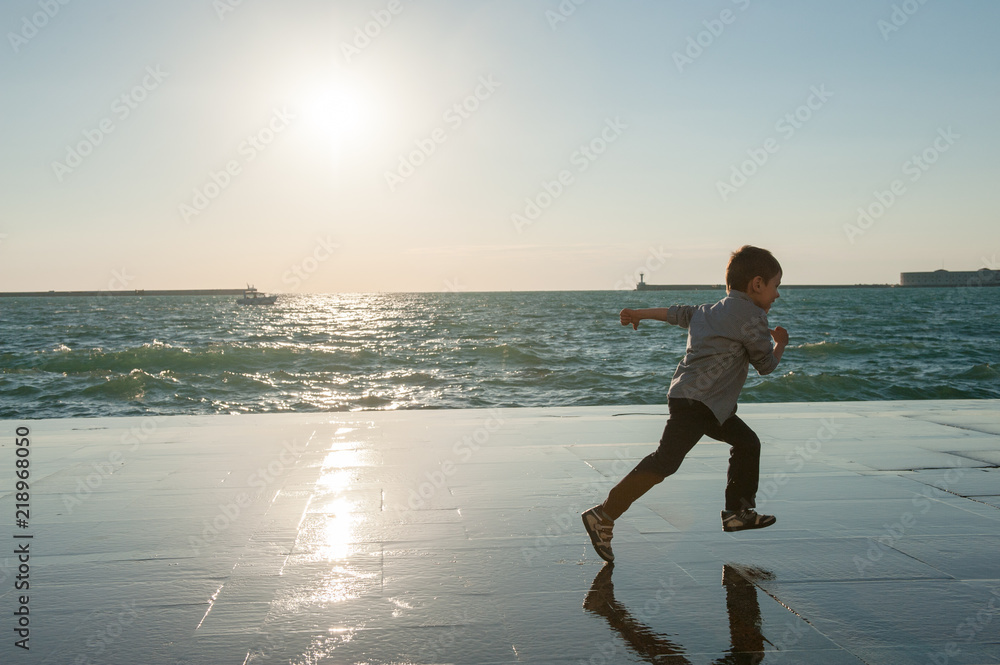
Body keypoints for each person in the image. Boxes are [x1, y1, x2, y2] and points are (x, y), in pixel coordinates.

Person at [582, 245, 788, 563]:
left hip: (689, 399)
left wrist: (639, 314)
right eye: (775, 286)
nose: (776, 295)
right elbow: (766, 366)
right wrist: (780, 345)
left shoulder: (708, 310)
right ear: (757, 284)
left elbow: (675, 313)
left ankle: (737, 512)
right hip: (703, 405)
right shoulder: (753, 317)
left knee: (745, 443)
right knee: (666, 462)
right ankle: (604, 514)